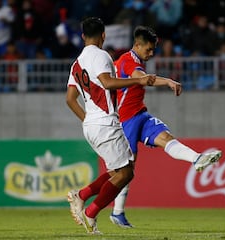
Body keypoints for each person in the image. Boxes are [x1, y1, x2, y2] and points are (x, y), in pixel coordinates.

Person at [108, 25, 222, 228]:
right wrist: (169, 81)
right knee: (126, 170)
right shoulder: (127, 61)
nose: (151, 53)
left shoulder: (136, 60)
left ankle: (196, 159)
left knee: (166, 137)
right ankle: (115, 212)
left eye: (153, 50)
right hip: (126, 121)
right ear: (137, 45)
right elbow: (142, 79)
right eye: (148, 49)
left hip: (140, 115)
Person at [65, 17, 156, 235]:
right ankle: (90, 213)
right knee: (126, 174)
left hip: (91, 125)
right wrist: (138, 80)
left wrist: (87, 119)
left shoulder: (77, 63)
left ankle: (82, 195)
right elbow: (107, 82)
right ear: (103, 35)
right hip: (105, 122)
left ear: (82, 36)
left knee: (117, 171)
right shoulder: (102, 56)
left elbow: (70, 99)